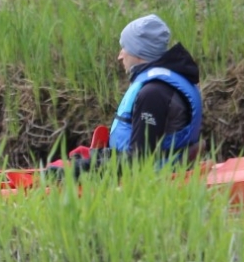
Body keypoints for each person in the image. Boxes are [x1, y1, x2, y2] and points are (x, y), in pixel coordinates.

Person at [65, 13, 204, 170]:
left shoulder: (154, 93)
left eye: (125, 48)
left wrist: (81, 169)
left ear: (139, 51)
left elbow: (138, 162)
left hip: (158, 175)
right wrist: (98, 156)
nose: (120, 55)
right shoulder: (167, 81)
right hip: (160, 166)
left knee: (63, 172)